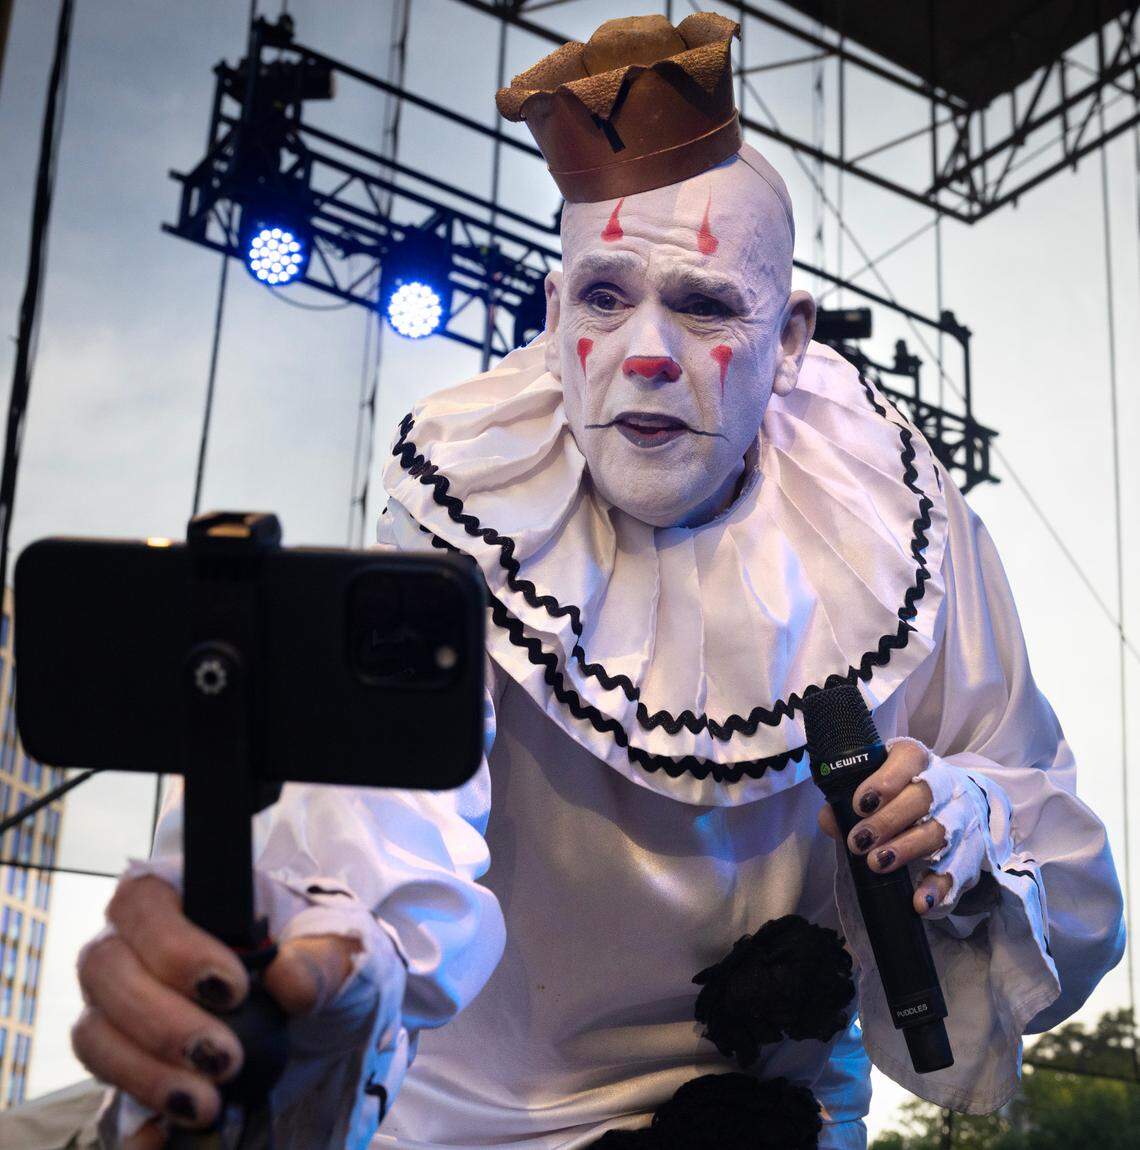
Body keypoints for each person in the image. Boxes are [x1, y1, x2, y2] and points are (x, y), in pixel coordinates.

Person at [66, 13, 1123, 1150]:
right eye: (606, 296)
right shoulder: (473, 507)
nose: (647, 352)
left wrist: (965, 821)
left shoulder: (894, 521)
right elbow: (383, 812)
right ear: (555, 312)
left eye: (705, 304)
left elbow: (1065, 870)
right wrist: (319, 956)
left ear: (791, 341)